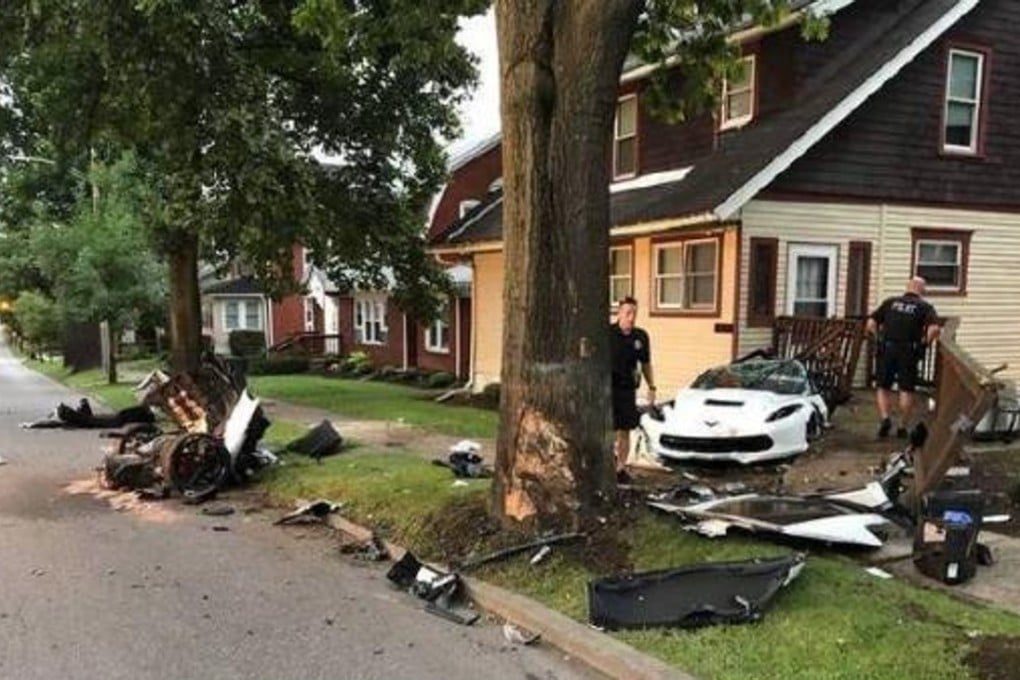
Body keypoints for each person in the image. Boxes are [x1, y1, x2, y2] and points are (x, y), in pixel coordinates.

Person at [866, 276, 940, 439]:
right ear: (921, 290)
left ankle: (885, 418)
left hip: (887, 347)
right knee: (906, 389)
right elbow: (934, 329)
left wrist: (878, 337)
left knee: (882, 386)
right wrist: (924, 344)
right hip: (908, 350)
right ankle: (902, 427)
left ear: (907, 287)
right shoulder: (924, 307)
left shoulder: (890, 302)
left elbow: (871, 323)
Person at [610, 296, 655, 482]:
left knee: (625, 430)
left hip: (627, 389)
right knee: (609, 430)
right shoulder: (608, 334)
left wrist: (652, 386)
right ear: (619, 313)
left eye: (634, 313)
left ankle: (620, 468)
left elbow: (645, 364)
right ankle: (608, 465)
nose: (631, 317)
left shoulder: (640, 337)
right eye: (627, 313)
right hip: (608, 388)